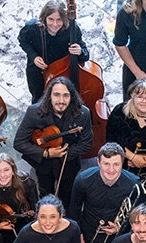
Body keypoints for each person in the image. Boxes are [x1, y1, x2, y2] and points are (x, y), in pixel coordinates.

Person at [13, 76, 93, 205]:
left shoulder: (83, 113)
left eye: (66, 96)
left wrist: (64, 153)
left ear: (71, 97)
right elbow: (19, 142)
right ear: (49, 96)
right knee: (45, 195)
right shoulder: (34, 112)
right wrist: (46, 153)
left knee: (67, 197)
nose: (61, 101)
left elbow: (86, 143)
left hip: (69, 163)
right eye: (56, 95)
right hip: (43, 164)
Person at [68, 142, 141, 243]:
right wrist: (77, 233)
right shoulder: (83, 180)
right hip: (90, 232)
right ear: (98, 162)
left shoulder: (134, 183)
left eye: (116, 164)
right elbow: (75, 208)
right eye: (106, 164)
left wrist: (120, 227)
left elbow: (139, 213)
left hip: (121, 235)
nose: (111, 170)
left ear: (122, 163)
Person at [18, 0, 89, 102]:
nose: (55, 24)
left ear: (65, 19)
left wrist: (80, 51)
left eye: (59, 19)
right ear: (44, 18)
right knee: (38, 100)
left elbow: (86, 55)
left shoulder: (72, 29)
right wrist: (33, 56)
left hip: (63, 72)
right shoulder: (32, 28)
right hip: (37, 72)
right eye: (51, 19)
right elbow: (23, 41)